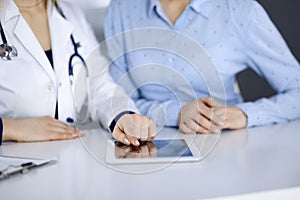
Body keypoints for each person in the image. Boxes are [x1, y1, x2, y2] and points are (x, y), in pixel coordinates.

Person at [104, 0, 300, 134]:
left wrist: (245, 115)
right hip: (144, 149)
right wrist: (177, 113)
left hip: (225, 145)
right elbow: (117, 101)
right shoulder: (121, 8)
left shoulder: (240, 11)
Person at [0, 0, 156, 146]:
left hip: (69, 158)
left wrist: (123, 116)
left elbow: (100, 86)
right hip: (11, 163)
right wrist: (8, 128)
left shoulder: (71, 15)